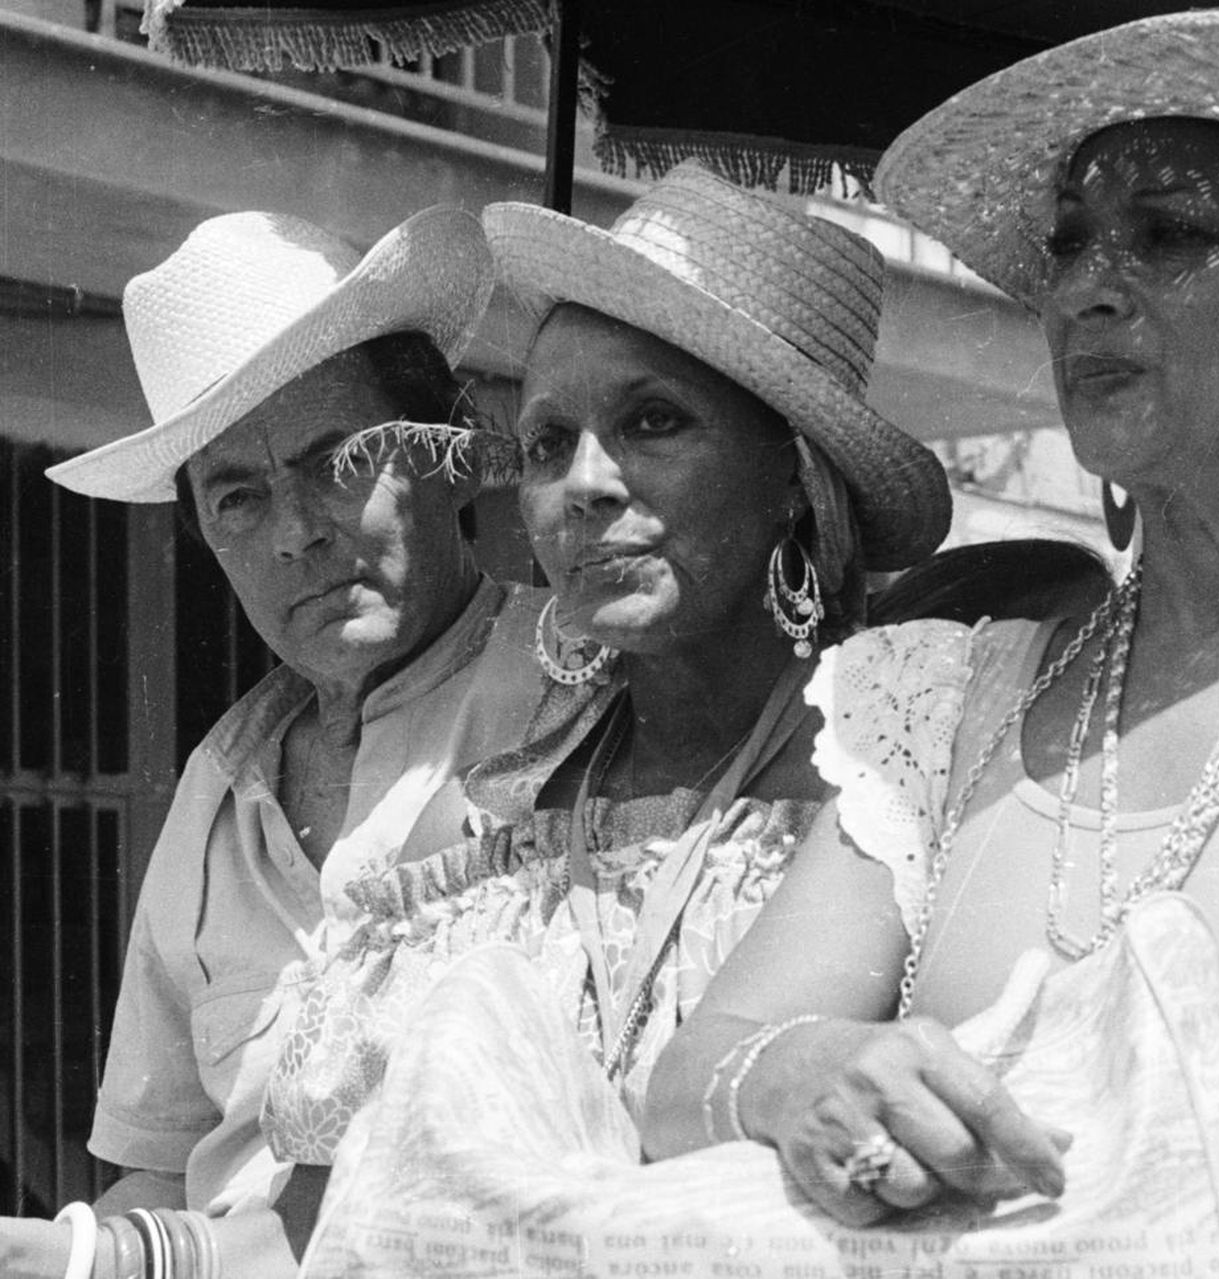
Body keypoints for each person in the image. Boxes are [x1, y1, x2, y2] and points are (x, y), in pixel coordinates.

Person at [639, 11, 1219, 1277]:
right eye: (1070, 241)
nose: (1086, 284)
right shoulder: (942, 700)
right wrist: (805, 1071)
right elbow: (688, 1082)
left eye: (1173, 234)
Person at [263, 163, 965, 1262]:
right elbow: (332, 1218)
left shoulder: (900, 773)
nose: (583, 483)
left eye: (651, 421)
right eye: (546, 444)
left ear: (796, 475)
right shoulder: (483, 825)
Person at [7, 206, 553, 1276]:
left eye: (339, 461)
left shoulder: (576, 695)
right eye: (238, 498)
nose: (296, 530)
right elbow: (158, 1164)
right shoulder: (219, 790)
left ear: (448, 456)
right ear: (205, 536)